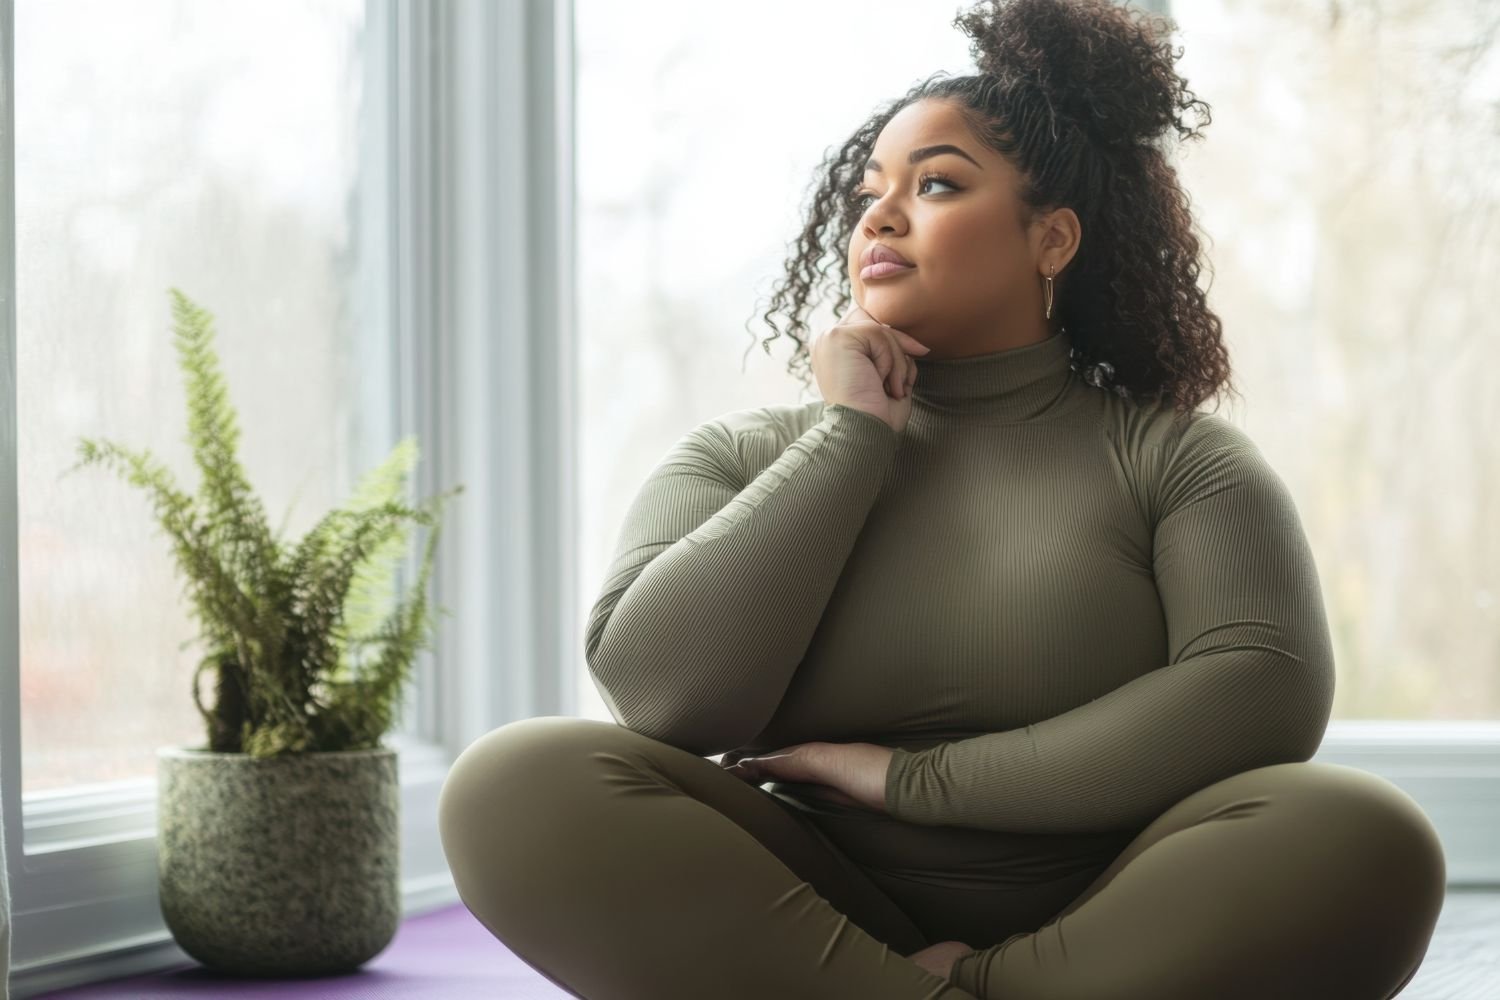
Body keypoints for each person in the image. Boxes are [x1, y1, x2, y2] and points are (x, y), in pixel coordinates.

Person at [438, 0, 1446, 996]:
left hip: (1114, 914)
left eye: (935, 183)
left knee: (1364, 833)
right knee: (512, 783)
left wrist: (909, 778)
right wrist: (849, 440)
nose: (880, 214)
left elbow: (1262, 694)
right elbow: (658, 694)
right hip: (807, 910)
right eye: (871, 192)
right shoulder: (743, 457)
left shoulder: (1179, 459)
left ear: (1052, 240)